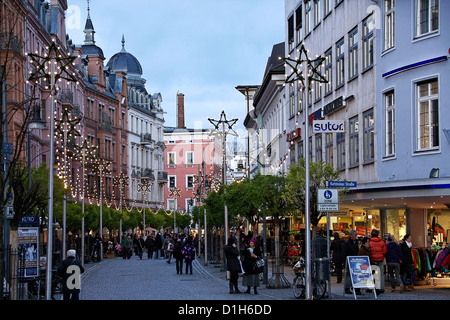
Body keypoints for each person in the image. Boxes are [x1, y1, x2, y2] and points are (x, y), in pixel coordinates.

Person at [369, 229, 387, 294]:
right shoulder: (382, 242)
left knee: (372, 274)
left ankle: (372, 287)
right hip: (380, 259)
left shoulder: (370, 243)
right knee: (381, 274)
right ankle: (381, 288)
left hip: (373, 260)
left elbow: (368, 251)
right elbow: (385, 251)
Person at [342, 230, 360, 295]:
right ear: (351, 235)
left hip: (355, 261)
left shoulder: (356, 242)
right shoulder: (346, 243)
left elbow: (357, 250)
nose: (356, 236)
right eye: (355, 235)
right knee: (348, 275)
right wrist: (345, 261)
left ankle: (356, 288)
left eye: (356, 235)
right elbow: (344, 253)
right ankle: (347, 288)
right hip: (349, 260)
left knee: (355, 274)